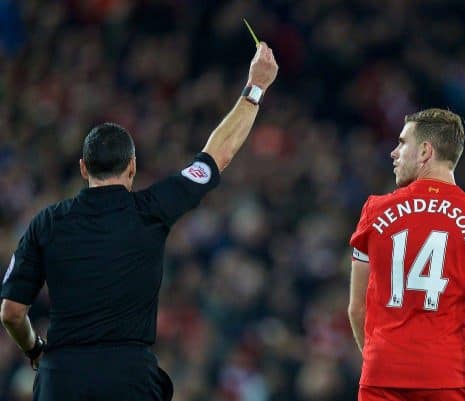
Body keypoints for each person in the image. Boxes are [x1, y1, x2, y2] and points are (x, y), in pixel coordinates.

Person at [0, 42, 278, 401]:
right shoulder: (152, 209)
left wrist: (37, 349)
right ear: (132, 166)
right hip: (130, 378)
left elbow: (10, 313)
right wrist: (255, 88)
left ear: (83, 168)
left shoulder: (46, 223)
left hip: (62, 377)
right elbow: (216, 157)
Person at [348, 109, 465, 401]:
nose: (393, 152)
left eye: (402, 143)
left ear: (425, 151)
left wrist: (381, 364)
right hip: (447, 379)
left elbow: (356, 308)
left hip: (380, 380)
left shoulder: (374, 211)